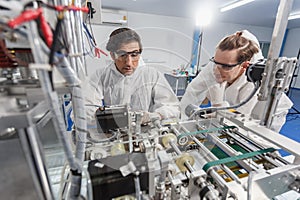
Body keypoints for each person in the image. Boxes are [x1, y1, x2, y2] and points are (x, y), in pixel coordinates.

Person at [180, 30, 293, 132]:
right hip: (234, 103)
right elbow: (193, 91)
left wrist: (218, 104)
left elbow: (240, 118)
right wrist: (181, 120)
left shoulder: (255, 81)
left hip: (266, 110)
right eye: (215, 63)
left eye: (225, 67)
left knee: (256, 139)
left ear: (244, 65)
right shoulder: (219, 63)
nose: (216, 71)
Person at [83, 27, 180, 123]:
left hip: (146, 133)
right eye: (122, 55)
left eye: (134, 55)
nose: (129, 62)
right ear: (112, 55)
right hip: (114, 133)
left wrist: (155, 115)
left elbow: (172, 107)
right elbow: (85, 109)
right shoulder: (101, 76)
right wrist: (108, 120)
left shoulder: (152, 75)